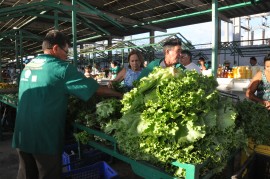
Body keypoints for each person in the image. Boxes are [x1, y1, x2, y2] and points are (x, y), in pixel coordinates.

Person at [12, 30, 122, 179]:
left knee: (26, 174)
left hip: (22, 133)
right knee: (48, 174)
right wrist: (119, 94)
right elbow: (93, 88)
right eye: (66, 51)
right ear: (56, 48)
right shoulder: (61, 68)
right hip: (44, 137)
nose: (66, 56)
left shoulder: (29, 66)